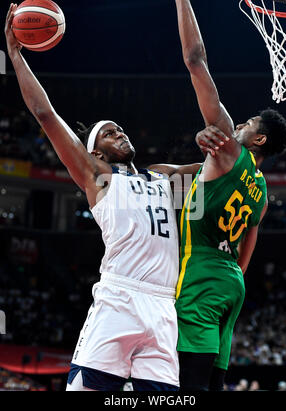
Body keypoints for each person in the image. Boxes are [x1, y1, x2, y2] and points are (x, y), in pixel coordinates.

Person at [5, 3, 219, 391]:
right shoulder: (97, 176)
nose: (119, 132)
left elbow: (218, 164)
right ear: (96, 152)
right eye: (108, 133)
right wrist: (16, 57)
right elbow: (46, 114)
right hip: (118, 298)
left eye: (120, 128)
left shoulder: (161, 176)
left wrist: (215, 142)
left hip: (163, 306)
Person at [172, 0, 286, 391]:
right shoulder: (260, 189)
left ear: (257, 139)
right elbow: (248, 247)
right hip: (232, 282)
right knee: (216, 379)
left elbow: (195, 61)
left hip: (203, 271)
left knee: (186, 379)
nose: (237, 123)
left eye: (247, 123)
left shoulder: (229, 147)